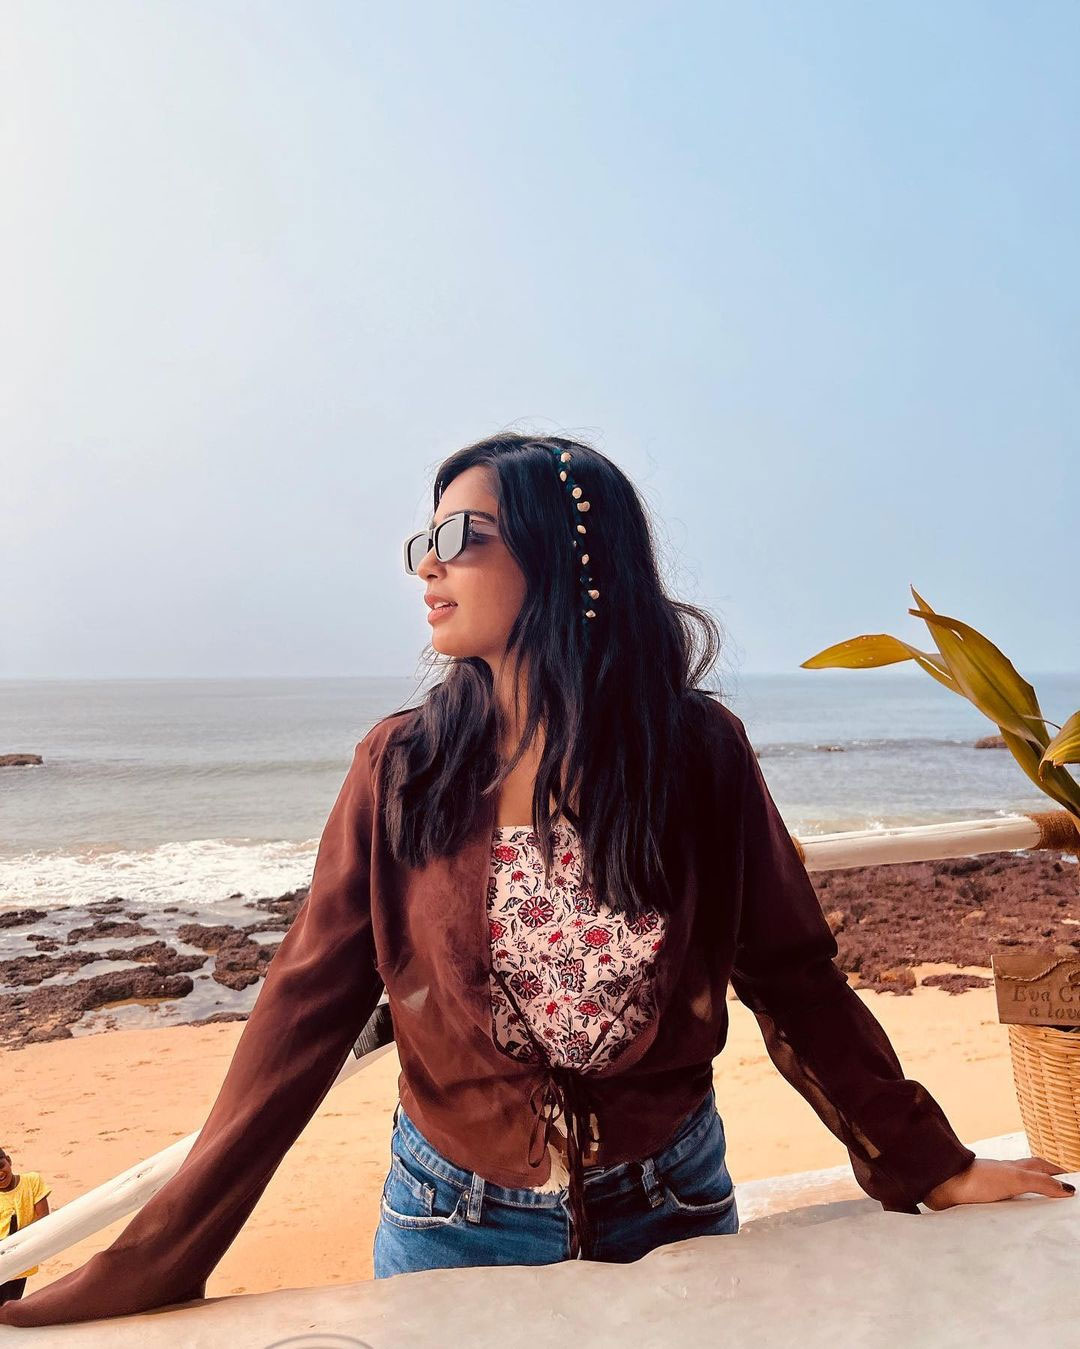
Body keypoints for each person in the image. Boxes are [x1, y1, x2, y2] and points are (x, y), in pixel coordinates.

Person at [1, 433, 1073, 1326]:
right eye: (421, 541)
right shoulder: (403, 762)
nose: (426, 567)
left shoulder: (696, 754)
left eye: (458, 537)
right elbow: (304, 1009)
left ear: (569, 556)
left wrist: (928, 1162)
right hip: (448, 1223)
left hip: (674, 1204)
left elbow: (793, 975)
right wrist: (158, 1256)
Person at [0, 1148, 52, 1304]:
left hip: (22, 1259)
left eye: (1, 1166)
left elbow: (44, 1217)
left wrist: (16, 1241)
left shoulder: (32, 1181)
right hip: (2, 1258)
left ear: (9, 1160)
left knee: (10, 1305)